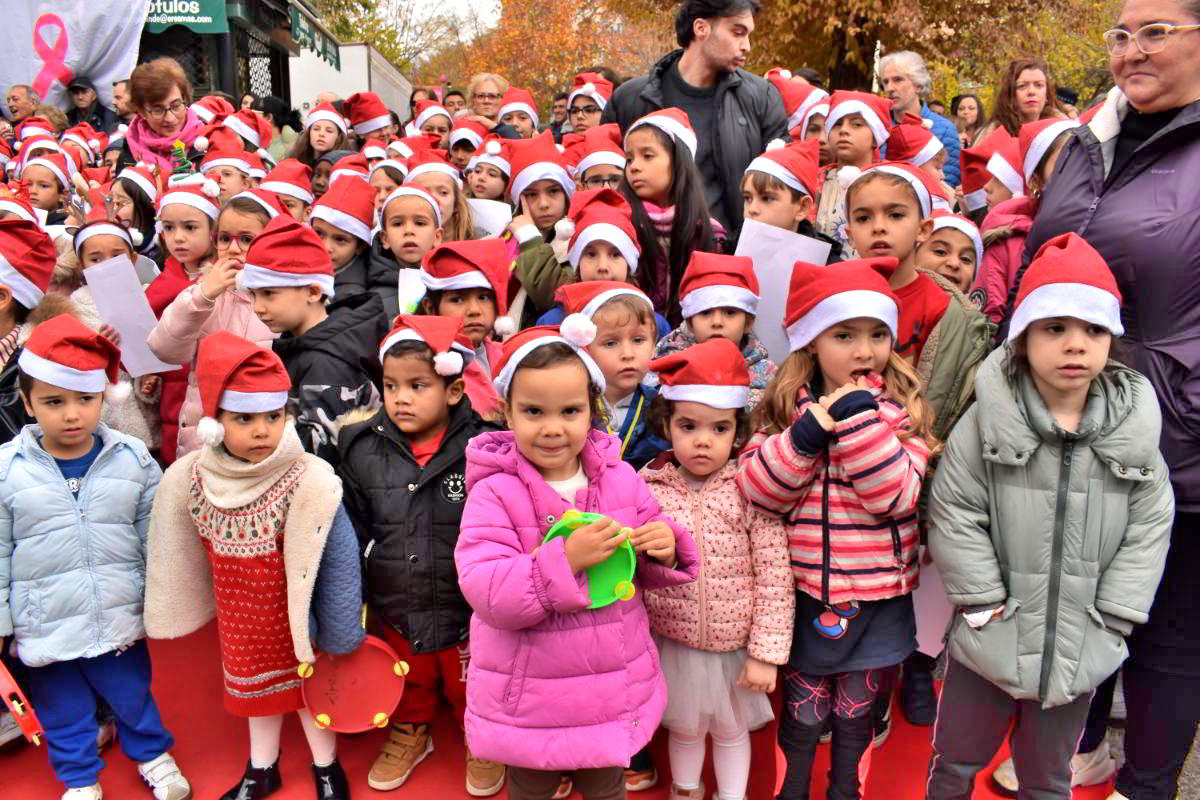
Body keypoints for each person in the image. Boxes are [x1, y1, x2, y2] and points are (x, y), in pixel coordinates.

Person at [1020, 3, 1200, 796]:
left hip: (1176, 441)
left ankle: (1150, 783)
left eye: (1156, 31)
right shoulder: (1088, 140)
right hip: (1068, 428)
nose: (1132, 50)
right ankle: (1086, 744)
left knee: (1167, 634)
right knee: (1080, 606)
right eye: (1121, 34)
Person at [925, 233, 1174, 800]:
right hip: (990, 634)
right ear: (1023, 338)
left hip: (1080, 643)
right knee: (955, 762)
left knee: (1047, 776)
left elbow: (1151, 522)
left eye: (1092, 330)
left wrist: (1115, 613)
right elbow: (956, 508)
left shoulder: (1131, 429)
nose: (1075, 345)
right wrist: (982, 599)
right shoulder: (988, 421)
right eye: (1054, 327)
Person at [454, 323, 698, 800]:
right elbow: (487, 590)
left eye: (570, 411)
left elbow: (639, 563)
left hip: (609, 687)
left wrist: (663, 546)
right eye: (533, 411)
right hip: (531, 696)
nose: (552, 427)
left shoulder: (621, 479)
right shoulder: (494, 493)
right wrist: (564, 559)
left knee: (606, 786)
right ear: (507, 412)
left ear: (592, 410)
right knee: (531, 785)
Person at [737, 257, 934, 800]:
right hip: (804, 599)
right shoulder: (782, 417)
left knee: (857, 716)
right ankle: (791, 789)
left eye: (876, 335)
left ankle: (845, 789)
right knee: (802, 716)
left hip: (878, 602)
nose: (864, 350)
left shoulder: (902, 419)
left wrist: (857, 419)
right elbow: (759, 491)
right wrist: (806, 434)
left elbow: (894, 495)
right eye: (844, 334)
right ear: (811, 343)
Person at [145, 331, 363, 800]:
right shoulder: (193, 479)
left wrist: (341, 625)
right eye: (244, 418)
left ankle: (327, 768)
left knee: (309, 697)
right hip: (241, 622)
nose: (262, 430)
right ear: (215, 424)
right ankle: (262, 768)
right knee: (256, 698)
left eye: (273, 416)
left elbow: (339, 555)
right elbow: (174, 544)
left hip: (299, 622)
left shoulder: (309, 478)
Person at [338, 315, 503, 795]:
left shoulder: (484, 445)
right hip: (398, 595)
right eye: (390, 385)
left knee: (470, 678)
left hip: (465, 603)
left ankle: (481, 733)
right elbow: (354, 524)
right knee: (408, 675)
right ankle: (413, 728)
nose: (401, 398)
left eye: (417, 385)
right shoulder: (362, 445)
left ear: (453, 391)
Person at [642, 338, 794, 800]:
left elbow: (775, 577)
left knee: (731, 731)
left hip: (735, 648)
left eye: (719, 428)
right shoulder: (648, 487)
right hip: (674, 643)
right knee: (685, 731)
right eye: (688, 426)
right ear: (667, 424)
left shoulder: (750, 490)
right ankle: (685, 791)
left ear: (737, 430)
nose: (703, 440)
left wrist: (766, 653)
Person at [604, 0, 787, 233]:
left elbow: (782, 190)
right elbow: (604, 182)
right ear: (701, 28)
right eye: (738, 32)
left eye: (748, 35)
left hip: (731, 257)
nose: (746, 46)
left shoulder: (762, 97)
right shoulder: (630, 99)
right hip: (648, 257)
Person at [242, 215, 386, 463]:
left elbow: (319, 451)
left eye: (269, 294)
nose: (258, 307)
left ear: (312, 291)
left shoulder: (326, 361)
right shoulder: (306, 343)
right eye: (253, 295)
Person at [147, 195, 276, 457]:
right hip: (203, 439)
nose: (233, 248)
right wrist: (201, 296)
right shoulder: (207, 292)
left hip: (261, 435)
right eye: (225, 238)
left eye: (247, 239)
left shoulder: (281, 297)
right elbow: (165, 349)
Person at [970, 118, 1078, 325]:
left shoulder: (1108, 229)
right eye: (1064, 163)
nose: (1078, 173)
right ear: (1037, 181)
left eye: (1085, 162)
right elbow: (987, 325)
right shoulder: (1007, 240)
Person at [620, 109, 724, 323]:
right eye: (629, 159)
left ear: (678, 161)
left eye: (647, 156)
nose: (635, 167)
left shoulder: (709, 233)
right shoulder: (619, 227)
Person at [146, 177, 221, 464]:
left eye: (190, 227)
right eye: (168, 227)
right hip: (171, 400)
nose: (178, 237)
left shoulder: (220, 281)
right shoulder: (162, 280)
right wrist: (148, 375)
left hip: (209, 395)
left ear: (213, 230)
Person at [651, 253, 775, 409]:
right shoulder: (666, 366)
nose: (717, 322)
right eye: (705, 312)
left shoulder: (766, 376)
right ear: (689, 322)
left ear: (748, 323)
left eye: (730, 312)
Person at [419, 240, 511, 418]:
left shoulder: (508, 355)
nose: (474, 310)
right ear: (430, 308)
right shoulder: (425, 364)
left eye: (484, 297)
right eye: (458, 300)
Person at [741, 137, 842, 259]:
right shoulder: (729, 251)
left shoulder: (825, 266)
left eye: (766, 198)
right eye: (747, 198)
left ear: (802, 208)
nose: (752, 209)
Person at [877, 51, 962, 186]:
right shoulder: (878, 126)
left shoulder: (944, 129)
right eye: (885, 82)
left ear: (919, 85)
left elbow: (945, 186)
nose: (889, 88)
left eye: (898, 80)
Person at [124, 58, 206, 170]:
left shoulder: (207, 137)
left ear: (184, 98)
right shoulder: (130, 145)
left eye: (176, 106)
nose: (170, 118)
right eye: (158, 110)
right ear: (141, 111)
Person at [309, 174, 376, 299]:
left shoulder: (353, 296)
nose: (325, 246)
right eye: (318, 233)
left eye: (340, 239)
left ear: (360, 246)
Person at [976, 58, 1065, 140]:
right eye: (1022, 86)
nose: (1031, 91)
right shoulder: (992, 134)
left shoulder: (1060, 131)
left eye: (1039, 85)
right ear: (1010, 94)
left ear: (1047, 94)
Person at [288, 102, 349, 168]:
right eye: (316, 129)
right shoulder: (294, 161)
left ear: (339, 136)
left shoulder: (344, 167)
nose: (321, 134)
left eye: (329, 131)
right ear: (309, 133)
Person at [252, 96, 301, 163]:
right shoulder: (257, 142)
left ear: (269, 117)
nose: (250, 120)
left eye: (253, 115)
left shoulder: (288, 145)